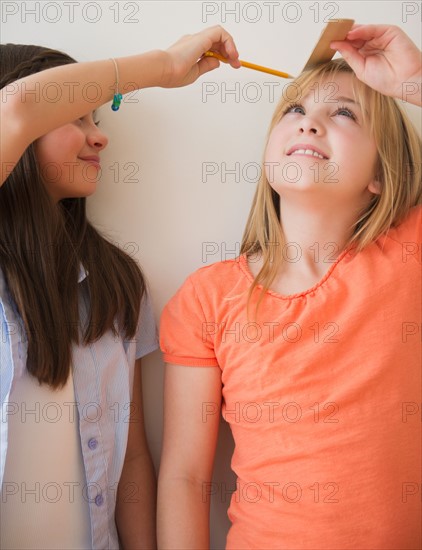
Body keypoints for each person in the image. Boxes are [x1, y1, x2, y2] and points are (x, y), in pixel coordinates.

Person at [158, 24, 421, 549]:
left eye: (343, 112)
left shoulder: (407, 257)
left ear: (380, 174)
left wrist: (414, 83)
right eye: (294, 111)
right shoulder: (207, 297)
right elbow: (185, 477)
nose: (310, 125)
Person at [0, 27, 240, 550]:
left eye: (97, 118)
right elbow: (16, 106)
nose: (100, 136)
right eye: (77, 116)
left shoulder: (114, 285)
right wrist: (161, 66)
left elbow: (132, 458)